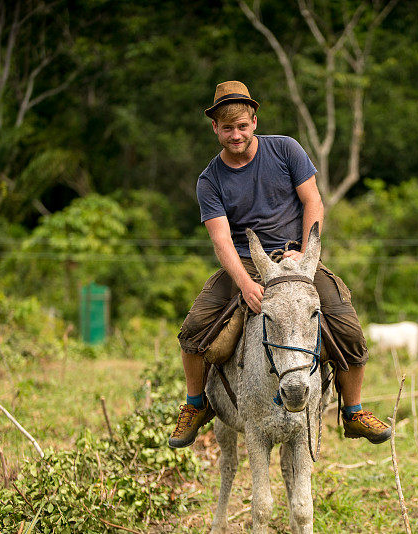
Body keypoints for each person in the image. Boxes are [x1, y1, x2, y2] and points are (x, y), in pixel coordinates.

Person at [168, 81, 391, 449]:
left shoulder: (286, 149)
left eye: (242, 126)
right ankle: (196, 405)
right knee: (193, 331)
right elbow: (221, 239)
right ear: (215, 129)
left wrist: (305, 255)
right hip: (245, 262)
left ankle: (353, 412)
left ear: (254, 121)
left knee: (346, 326)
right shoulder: (209, 180)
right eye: (227, 128)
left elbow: (313, 202)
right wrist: (244, 283)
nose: (235, 135)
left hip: (296, 257)